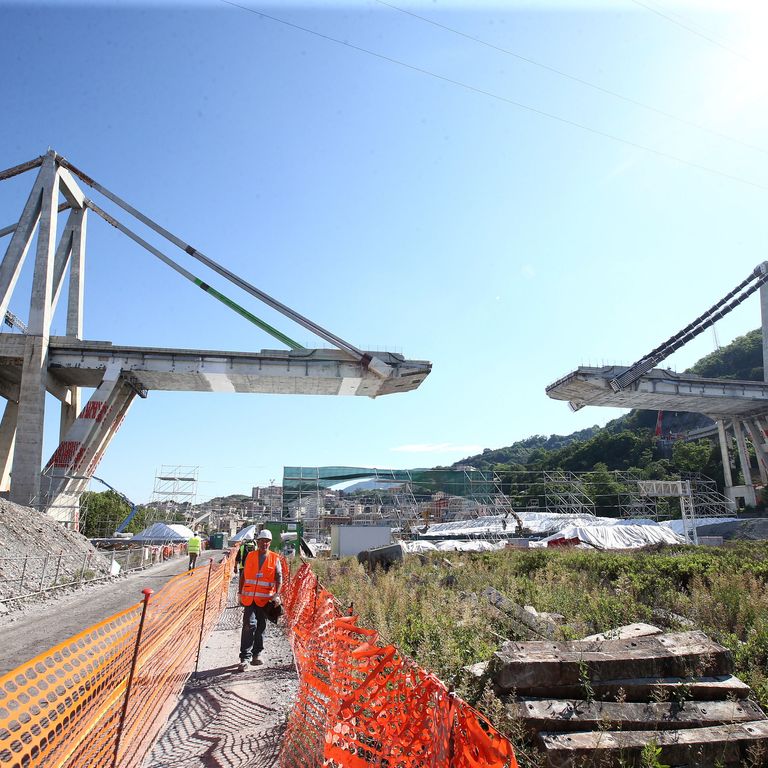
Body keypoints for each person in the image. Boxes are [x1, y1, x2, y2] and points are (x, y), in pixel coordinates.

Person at [238, 529, 281, 670]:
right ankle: (245, 657)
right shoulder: (250, 556)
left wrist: (277, 594)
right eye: (262, 541)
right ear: (258, 542)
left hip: (264, 600)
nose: (265, 544)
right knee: (249, 625)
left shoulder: (275, 558)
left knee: (261, 627)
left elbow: (279, 577)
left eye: (267, 542)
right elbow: (243, 575)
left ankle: (257, 654)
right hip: (249, 598)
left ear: (270, 543)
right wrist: (239, 593)